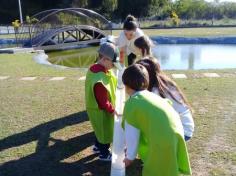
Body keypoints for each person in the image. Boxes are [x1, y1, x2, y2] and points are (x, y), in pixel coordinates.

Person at [122, 64, 192, 176]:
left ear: (126, 86)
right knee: (169, 165)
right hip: (177, 133)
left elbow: (132, 135)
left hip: (163, 138)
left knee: (155, 170)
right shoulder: (152, 95)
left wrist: (130, 157)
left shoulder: (132, 103)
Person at [136, 58, 194, 141]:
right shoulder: (163, 83)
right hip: (184, 126)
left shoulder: (156, 92)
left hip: (182, 130)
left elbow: (151, 119)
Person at [85, 42, 120, 161]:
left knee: (98, 129)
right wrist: (112, 110)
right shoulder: (99, 78)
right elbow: (102, 100)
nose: (113, 66)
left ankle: (96, 146)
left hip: (96, 108)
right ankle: (104, 154)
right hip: (100, 110)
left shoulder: (95, 68)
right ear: (105, 59)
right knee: (104, 131)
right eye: (112, 63)